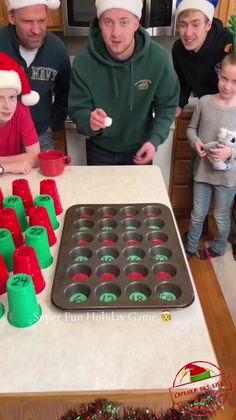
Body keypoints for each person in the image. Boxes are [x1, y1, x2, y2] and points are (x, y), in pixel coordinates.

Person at [69, 0, 179, 166]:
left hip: (140, 148)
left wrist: (154, 140)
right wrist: (89, 120)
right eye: (108, 22)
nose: (116, 33)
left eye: (124, 22)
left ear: (136, 23)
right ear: (99, 23)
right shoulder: (83, 62)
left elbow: (167, 106)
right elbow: (78, 109)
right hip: (99, 150)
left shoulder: (158, 59)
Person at [172, 0, 233, 240]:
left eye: (196, 25)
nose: (188, 33)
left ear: (208, 25)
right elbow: (182, 83)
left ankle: (232, 236)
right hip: (206, 114)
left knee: (230, 182)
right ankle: (201, 226)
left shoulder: (226, 42)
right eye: (183, 25)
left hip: (231, 114)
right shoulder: (178, 50)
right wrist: (177, 105)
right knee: (197, 176)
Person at [0, 0, 71, 151]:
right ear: (12, 17)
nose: (37, 30)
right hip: (2, 137)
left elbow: (65, 92)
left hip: (41, 135)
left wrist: (52, 125)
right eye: (28, 21)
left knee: (46, 175)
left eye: (42, 21)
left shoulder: (57, 49)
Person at [185, 52, 236, 260]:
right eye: (224, 78)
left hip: (227, 177)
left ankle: (218, 247)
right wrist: (195, 141)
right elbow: (191, 128)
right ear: (218, 74)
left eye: (235, 82)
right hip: (203, 172)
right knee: (197, 215)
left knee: (221, 217)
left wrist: (230, 152)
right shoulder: (204, 102)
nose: (227, 86)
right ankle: (190, 248)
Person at [0, 52, 40, 174]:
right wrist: (7, 167)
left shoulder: (21, 110)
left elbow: (35, 157)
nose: (7, 106)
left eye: (12, 97)